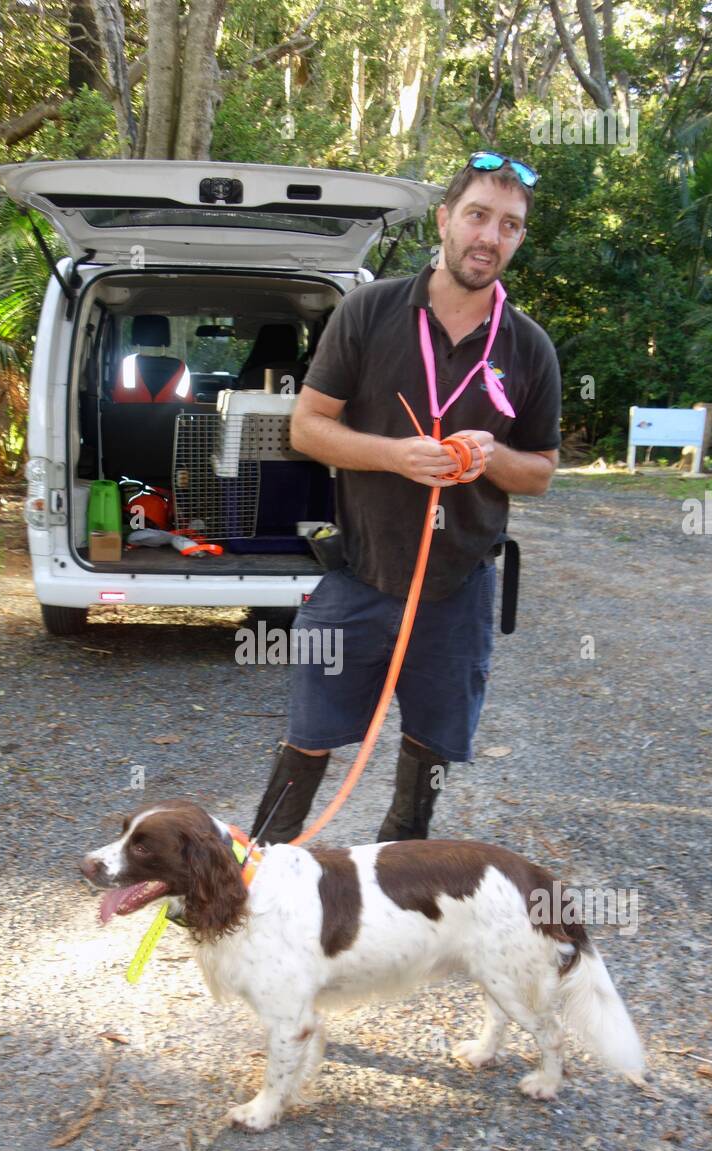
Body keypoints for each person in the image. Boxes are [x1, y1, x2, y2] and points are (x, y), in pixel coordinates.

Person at [250, 152, 562, 845]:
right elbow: (307, 428)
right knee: (309, 738)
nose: (490, 237)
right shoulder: (370, 311)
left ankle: (397, 893)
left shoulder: (530, 346)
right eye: (478, 215)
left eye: (509, 225)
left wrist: (490, 457)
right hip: (360, 574)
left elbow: (540, 471)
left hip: (458, 588)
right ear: (447, 220)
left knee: (429, 752)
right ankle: (252, 883)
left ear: (518, 239)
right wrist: (395, 456)